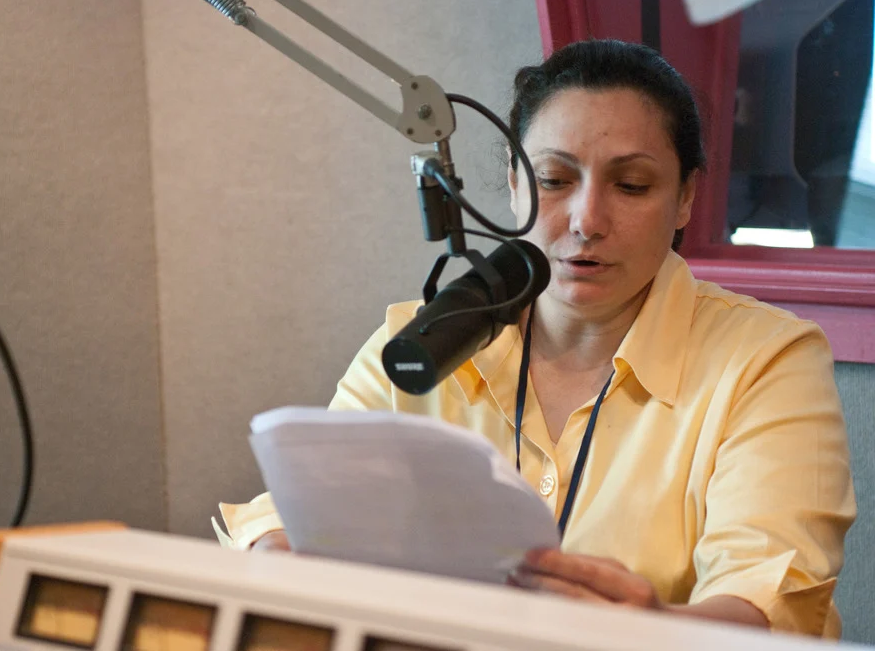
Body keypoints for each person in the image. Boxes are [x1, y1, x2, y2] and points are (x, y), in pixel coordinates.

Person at [213, 39, 856, 638]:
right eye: (553, 180)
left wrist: (654, 627)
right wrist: (280, 551)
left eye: (631, 185)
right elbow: (289, 511)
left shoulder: (768, 361)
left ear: (685, 197)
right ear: (516, 185)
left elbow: (771, 600)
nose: (587, 221)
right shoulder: (420, 343)